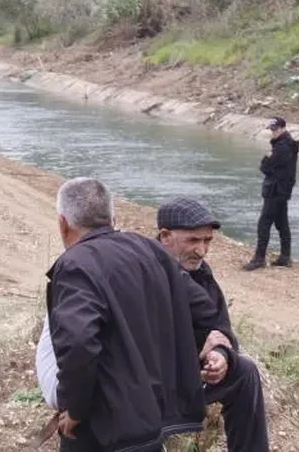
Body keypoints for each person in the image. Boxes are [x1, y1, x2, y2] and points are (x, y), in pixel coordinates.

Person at [46, 177, 229, 451]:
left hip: (103, 427)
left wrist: (75, 408)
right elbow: (205, 310)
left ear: (63, 223)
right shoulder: (151, 250)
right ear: (112, 218)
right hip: (154, 420)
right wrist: (219, 352)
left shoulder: (75, 265)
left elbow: (79, 344)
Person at [157, 197, 270, 452]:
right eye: (193, 241)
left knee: (244, 372)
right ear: (165, 236)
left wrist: (220, 355)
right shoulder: (144, 270)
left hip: (186, 377)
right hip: (145, 385)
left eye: (207, 241)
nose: (202, 251)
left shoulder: (201, 274)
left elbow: (221, 327)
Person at [243, 117, 299, 271]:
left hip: (275, 190)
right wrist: (268, 159)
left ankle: (259, 259)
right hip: (281, 190)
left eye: (275, 129)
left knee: (264, 224)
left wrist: (266, 159)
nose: (273, 132)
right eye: (271, 129)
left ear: (283, 128)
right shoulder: (287, 144)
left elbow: (265, 167)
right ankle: (285, 257)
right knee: (282, 224)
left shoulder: (283, 147)